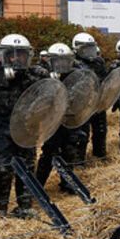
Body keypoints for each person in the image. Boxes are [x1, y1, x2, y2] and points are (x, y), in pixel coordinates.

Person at [0, 33, 47, 218]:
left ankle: (25, 206)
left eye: (20, 54)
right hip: (0, 127)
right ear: (3, 55)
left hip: (27, 128)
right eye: (11, 54)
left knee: (28, 166)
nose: (16, 58)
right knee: (3, 168)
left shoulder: (34, 75)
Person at [34, 43, 83, 192]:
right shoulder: (43, 74)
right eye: (58, 60)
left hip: (69, 119)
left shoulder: (76, 74)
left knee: (70, 151)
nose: (61, 63)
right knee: (49, 153)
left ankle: (67, 182)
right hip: (53, 121)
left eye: (64, 60)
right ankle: (38, 185)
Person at [72, 33, 108, 162]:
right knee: (82, 134)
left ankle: (100, 155)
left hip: (98, 102)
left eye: (91, 48)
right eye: (85, 48)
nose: (89, 52)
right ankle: (79, 161)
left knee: (101, 130)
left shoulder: (98, 62)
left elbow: (105, 79)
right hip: (82, 105)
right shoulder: (72, 63)